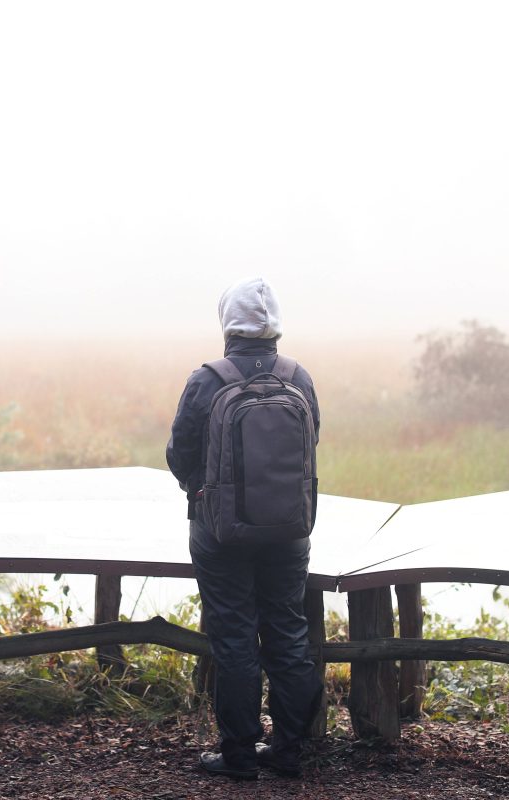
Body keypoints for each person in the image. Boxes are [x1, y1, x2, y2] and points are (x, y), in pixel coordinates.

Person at [165, 277, 323, 780]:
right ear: (274, 327)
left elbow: (178, 454)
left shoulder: (207, 380)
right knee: (288, 629)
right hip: (289, 529)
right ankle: (289, 750)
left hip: (221, 533)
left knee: (233, 635)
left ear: (227, 324)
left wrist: (204, 492)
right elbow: (311, 440)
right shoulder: (298, 377)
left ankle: (237, 755)